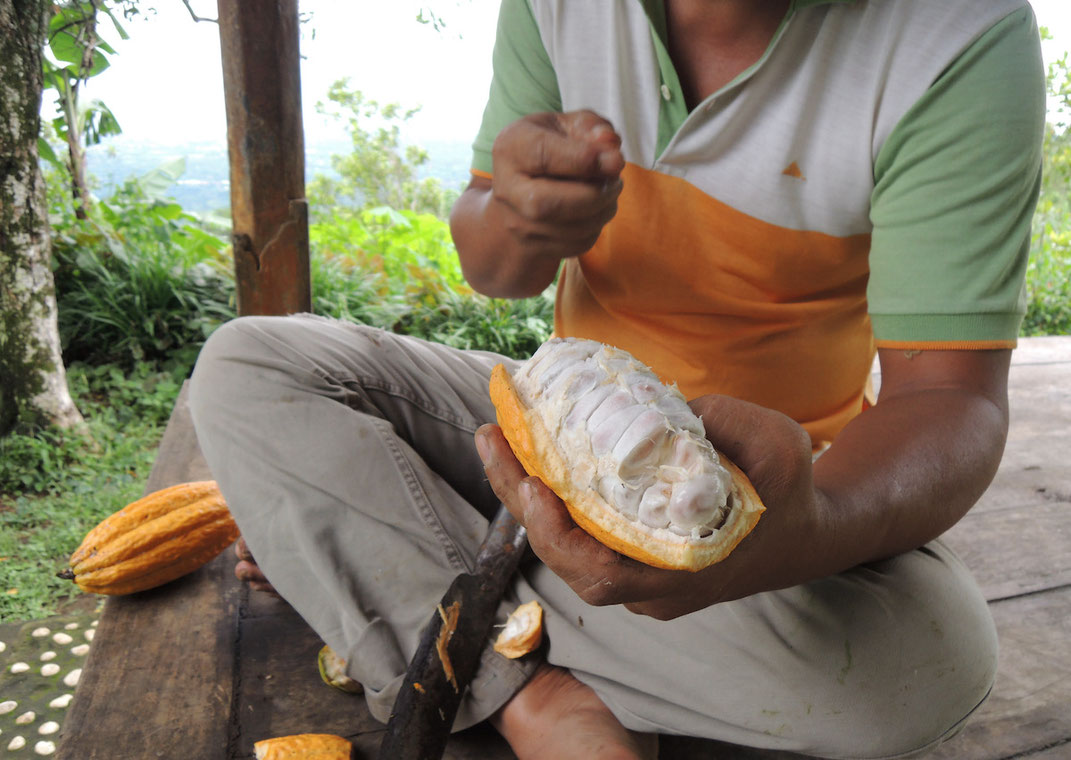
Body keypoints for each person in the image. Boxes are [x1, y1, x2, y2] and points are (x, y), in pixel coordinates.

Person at [189, 1, 1046, 757]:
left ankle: (399, 573)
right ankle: (532, 695)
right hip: (555, 420)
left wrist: (805, 528)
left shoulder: (958, 32)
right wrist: (518, 217)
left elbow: (948, 399)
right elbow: (496, 266)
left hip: (773, 497)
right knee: (250, 366)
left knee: (924, 666)